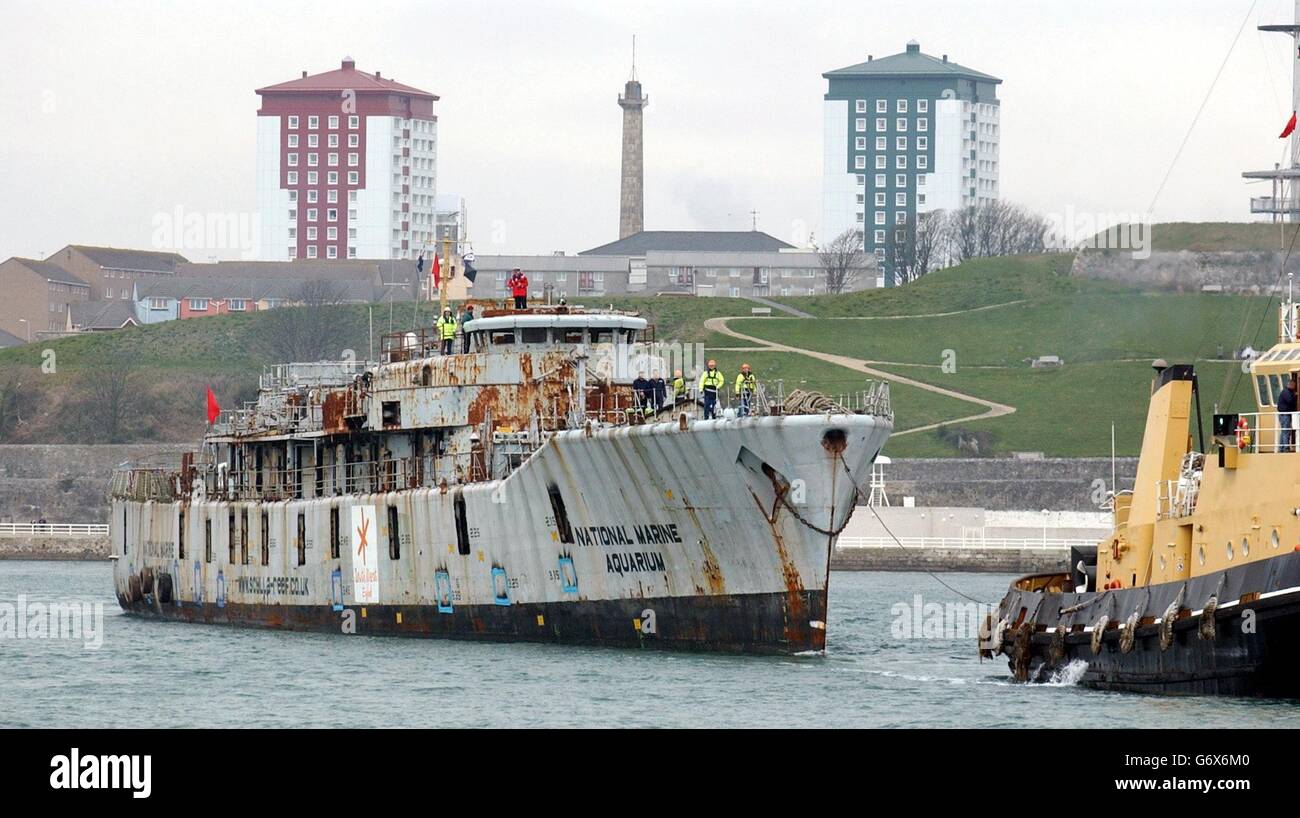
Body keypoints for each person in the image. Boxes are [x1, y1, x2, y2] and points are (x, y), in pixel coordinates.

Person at [1280, 372, 1298, 452]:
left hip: (1287, 414)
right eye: (1294, 386)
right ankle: (1285, 447)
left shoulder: (1288, 392)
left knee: (1284, 431)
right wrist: (1295, 395)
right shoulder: (1286, 392)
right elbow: (1289, 401)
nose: (1294, 387)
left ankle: (1282, 447)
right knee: (1286, 430)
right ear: (1291, 385)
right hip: (1284, 414)